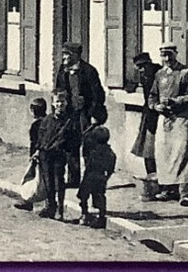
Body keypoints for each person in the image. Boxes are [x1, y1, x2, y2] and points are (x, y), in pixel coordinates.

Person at [148, 43, 188, 206]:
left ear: (176, 54)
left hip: (181, 118)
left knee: (183, 152)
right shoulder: (159, 74)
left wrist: (175, 101)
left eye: (170, 54)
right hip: (164, 119)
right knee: (164, 153)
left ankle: (186, 193)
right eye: (163, 55)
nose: (167, 58)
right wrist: (156, 106)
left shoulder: (185, 72)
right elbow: (152, 96)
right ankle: (168, 189)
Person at [53, 42, 104, 187]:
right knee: (70, 146)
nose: (64, 57)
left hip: (85, 114)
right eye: (63, 54)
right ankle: (73, 179)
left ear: (75, 55)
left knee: (89, 147)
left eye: (67, 54)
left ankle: (90, 179)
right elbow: (58, 90)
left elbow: (98, 95)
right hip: (70, 114)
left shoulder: (89, 71)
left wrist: (94, 113)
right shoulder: (63, 71)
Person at [33, 91, 77, 220]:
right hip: (45, 155)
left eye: (62, 102)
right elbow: (40, 137)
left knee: (59, 182)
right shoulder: (47, 120)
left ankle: (60, 209)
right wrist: (37, 151)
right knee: (48, 182)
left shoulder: (70, 121)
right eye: (57, 101)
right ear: (52, 103)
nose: (59, 104)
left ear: (66, 103)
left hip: (59, 155)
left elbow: (75, 140)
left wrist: (68, 153)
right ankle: (50, 207)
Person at [129, 51, 162, 201]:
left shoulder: (159, 74)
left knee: (159, 149)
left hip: (160, 115)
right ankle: (152, 178)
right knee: (147, 149)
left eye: (143, 67)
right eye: (138, 68)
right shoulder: (144, 76)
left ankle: (163, 183)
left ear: (149, 64)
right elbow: (130, 87)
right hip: (148, 115)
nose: (141, 70)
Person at [78, 115, 117, 228]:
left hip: (90, 176)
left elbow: (88, 163)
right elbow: (111, 167)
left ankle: (85, 213)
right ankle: (101, 216)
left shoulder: (94, 151)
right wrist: (107, 176)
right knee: (100, 196)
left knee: (84, 196)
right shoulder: (110, 152)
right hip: (101, 178)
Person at [13, 97, 50, 211]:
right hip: (47, 154)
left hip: (38, 155)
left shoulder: (36, 125)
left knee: (32, 178)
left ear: (33, 111)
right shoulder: (49, 121)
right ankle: (48, 204)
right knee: (45, 179)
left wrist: (33, 155)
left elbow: (35, 142)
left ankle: (28, 201)